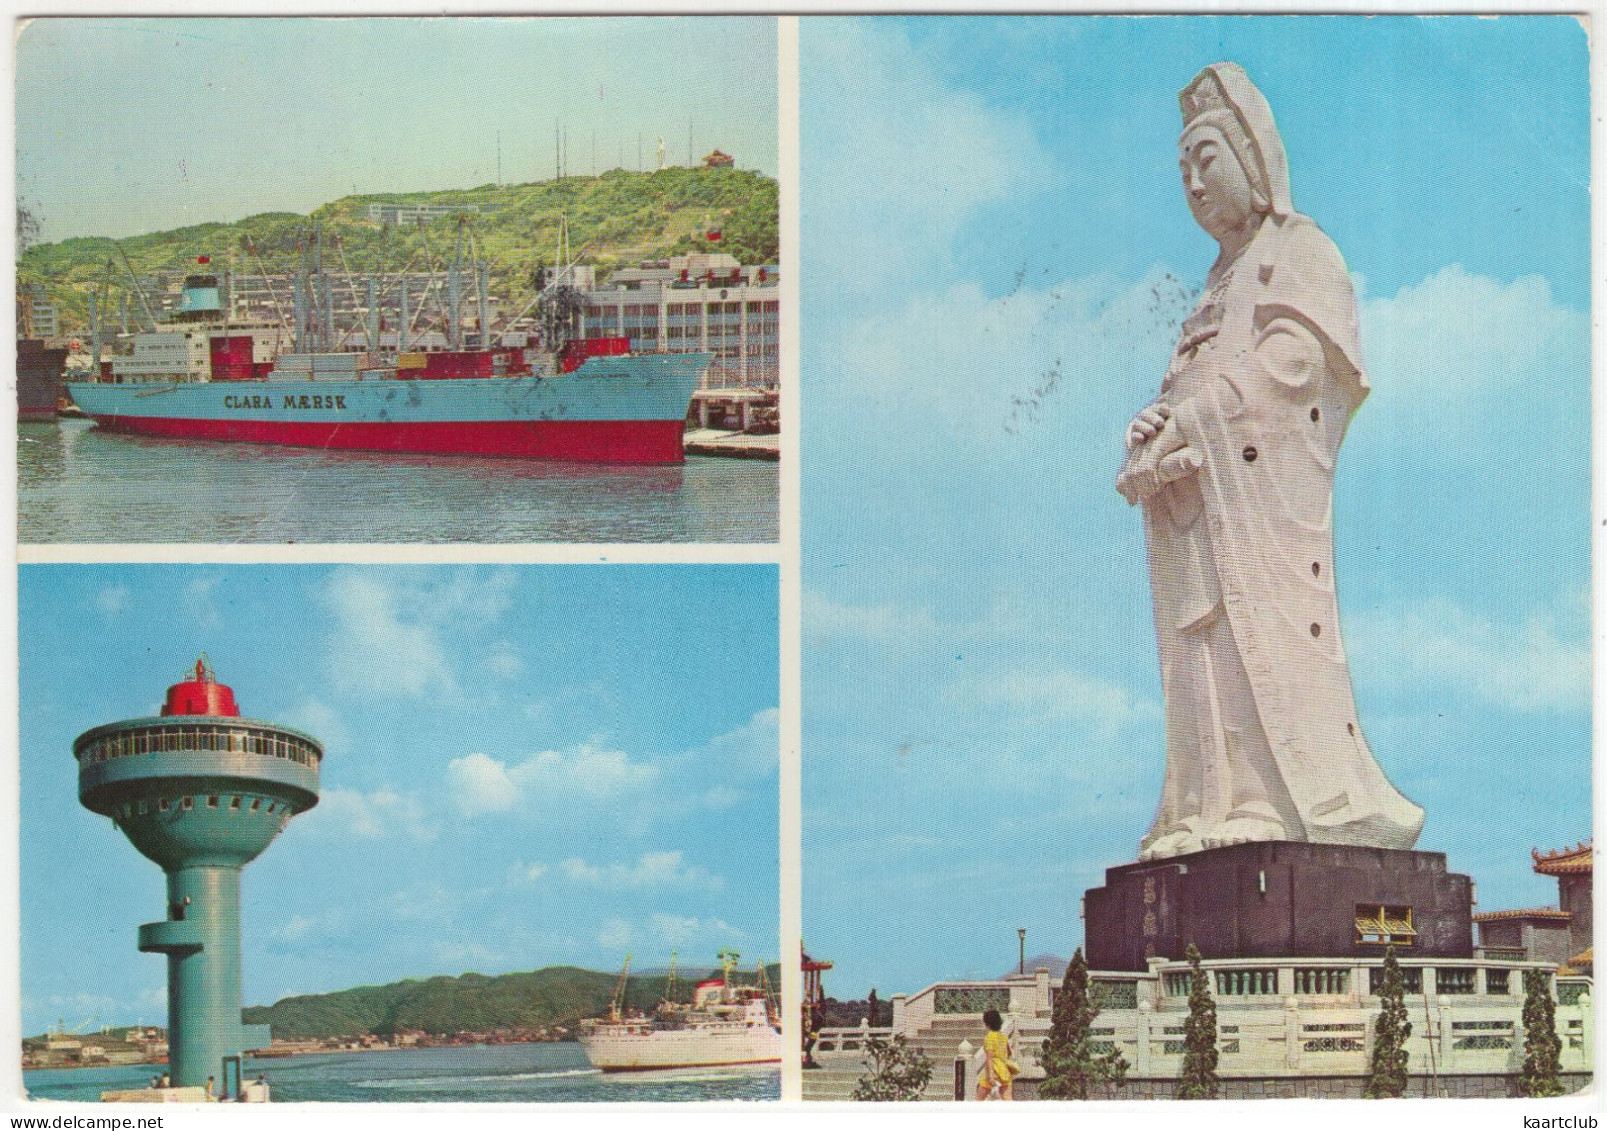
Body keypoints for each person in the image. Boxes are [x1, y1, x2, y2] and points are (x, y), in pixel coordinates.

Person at [1116, 62, 1424, 860]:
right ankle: (1197, 801)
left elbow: (1297, 368)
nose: (1191, 182)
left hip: (1257, 493)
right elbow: (1187, 377)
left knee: (1251, 637)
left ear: (1252, 162)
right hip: (1193, 497)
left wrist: (1199, 414)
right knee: (1194, 645)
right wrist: (1154, 422)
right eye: (1180, 167)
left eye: (1205, 158)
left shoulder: (1300, 250)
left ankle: (1262, 795)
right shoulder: (1214, 283)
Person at [974, 1008, 1017, 1101]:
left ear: (987, 1024)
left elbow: (989, 1058)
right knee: (1008, 1100)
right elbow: (1009, 1054)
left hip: (993, 1071)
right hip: (1004, 1071)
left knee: (978, 1100)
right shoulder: (1004, 1036)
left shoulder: (989, 1037)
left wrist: (990, 1077)